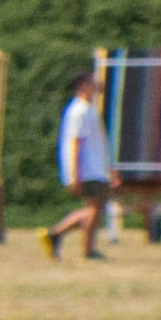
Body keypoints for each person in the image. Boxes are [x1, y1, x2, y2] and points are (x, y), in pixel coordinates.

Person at [42, 75, 113, 261]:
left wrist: (109, 167)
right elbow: (76, 143)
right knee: (94, 208)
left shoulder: (89, 109)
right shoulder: (79, 111)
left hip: (95, 168)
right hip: (87, 169)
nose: (97, 85)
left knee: (95, 209)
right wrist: (74, 174)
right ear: (82, 86)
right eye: (92, 82)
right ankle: (81, 247)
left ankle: (58, 236)